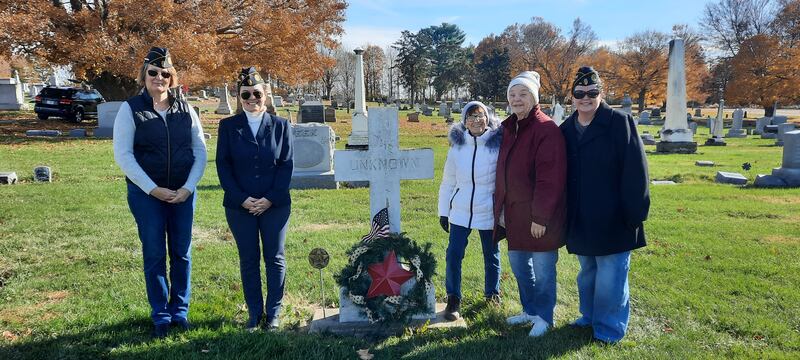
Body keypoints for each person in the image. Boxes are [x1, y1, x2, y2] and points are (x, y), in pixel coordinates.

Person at [113, 47, 207, 338]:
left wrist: (187, 188)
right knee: (154, 253)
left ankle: (180, 311)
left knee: (182, 253)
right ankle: (161, 315)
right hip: (147, 195)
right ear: (144, 76)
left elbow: (200, 151)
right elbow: (124, 155)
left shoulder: (185, 108)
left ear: (172, 77)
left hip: (182, 194)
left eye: (165, 73)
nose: (159, 77)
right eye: (153, 72)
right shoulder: (130, 109)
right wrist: (153, 189)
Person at [559, 66, 650, 343]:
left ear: (601, 93)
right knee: (588, 274)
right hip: (581, 216)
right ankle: (589, 316)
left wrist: (635, 212)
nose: (585, 98)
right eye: (580, 93)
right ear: (572, 97)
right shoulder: (566, 129)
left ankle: (608, 329)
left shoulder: (619, 122)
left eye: (592, 92)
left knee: (611, 277)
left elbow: (636, 170)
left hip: (615, 216)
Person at [216, 67, 294, 331]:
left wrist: (270, 199)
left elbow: (286, 165)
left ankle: (273, 313)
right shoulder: (227, 126)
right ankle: (254, 313)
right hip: (240, 206)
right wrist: (242, 199)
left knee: (274, 258)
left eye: (257, 93)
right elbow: (223, 166)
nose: (252, 98)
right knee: (248, 258)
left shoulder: (281, 125)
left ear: (266, 95)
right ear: (239, 97)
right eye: (246, 94)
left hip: (275, 205)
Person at [493, 71, 567, 337]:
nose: (517, 99)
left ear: (534, 98)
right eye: (512, 94)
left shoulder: (546, 130)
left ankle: (545, 317)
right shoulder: (508, 128)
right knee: (520, 267)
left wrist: (541, 217)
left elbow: (551, 178)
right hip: (514, 215)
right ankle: (530, 310)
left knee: (543, 269)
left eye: (523, 94)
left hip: (539, 218)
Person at [438, 101, 503, 321]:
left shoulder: (496, 145)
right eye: (471, 116)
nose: (476, 121)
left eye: (481, 116)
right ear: (465, 121)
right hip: (461, 210)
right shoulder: (457, 147)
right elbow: (448, 181)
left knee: (491, 255)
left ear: (488, 118)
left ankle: (492, 295)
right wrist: (443, 211)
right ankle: (453, 298)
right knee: (454, 255)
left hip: (488, 209)